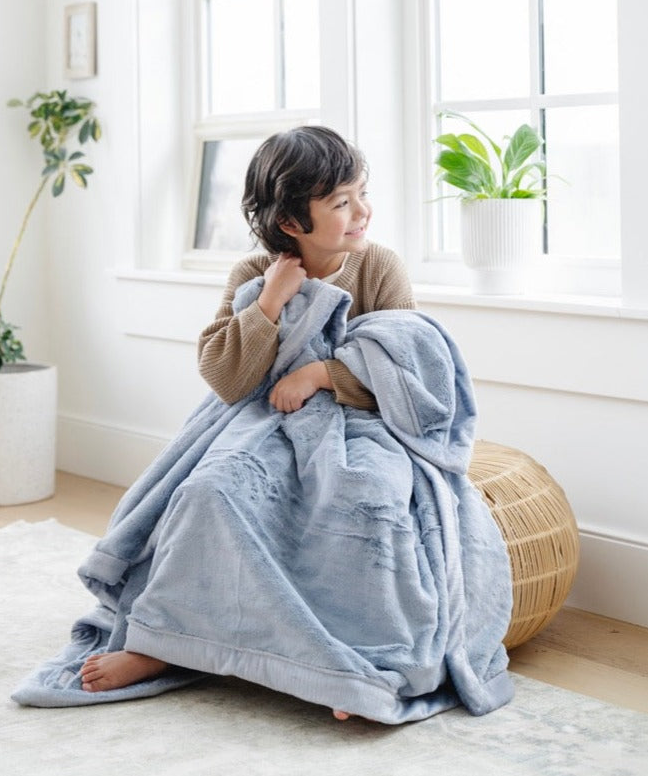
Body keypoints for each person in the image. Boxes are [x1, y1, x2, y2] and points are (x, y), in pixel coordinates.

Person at [79, 126, 416, 715]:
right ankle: (166, 640)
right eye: (341, 202)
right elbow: (226, 378)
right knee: (211, 490)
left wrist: (320, 377)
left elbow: (407, 368)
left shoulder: (379, 268)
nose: (362, 211)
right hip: (255, 422)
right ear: (291, 222)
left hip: (354, 422)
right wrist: (268, 303)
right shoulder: (255, 273)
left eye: (362, 192)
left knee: (367, 497)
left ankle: (347, 663)